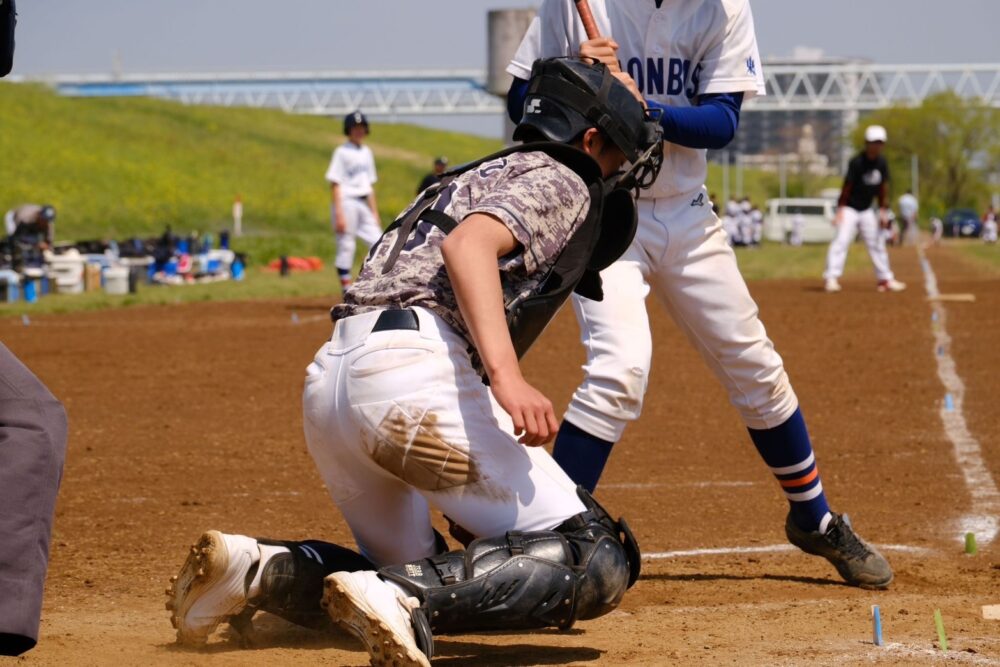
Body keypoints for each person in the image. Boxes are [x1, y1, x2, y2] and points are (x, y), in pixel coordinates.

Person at [166, 58, 662, 665]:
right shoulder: (561, 172)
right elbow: (470, 244)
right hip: (408, 379)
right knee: (597, 555)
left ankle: (255, 571)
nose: (612, 178)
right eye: (614, 161)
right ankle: (400, 596)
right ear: (589, 141)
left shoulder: (466, 177)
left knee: (409, 568)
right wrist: (508, 379)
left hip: (334, 381)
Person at [507, 0, 892, 589]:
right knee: (619, 369)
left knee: (757, 367)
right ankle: (549, 537)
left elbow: (723, 121)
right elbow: (519, 102)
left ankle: (813, 517)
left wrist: (641, 108)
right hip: (606, 212)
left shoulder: (725, 7)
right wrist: (569, 77)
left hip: (687, 213)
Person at [823, 125, 906, 293]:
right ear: (866, 143)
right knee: (841, 240)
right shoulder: (857, 162)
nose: (876, 146)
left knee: (876, 242)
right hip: (850, 208)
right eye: (873, 142)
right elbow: (847, 186)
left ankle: (885, 279)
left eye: (879, 142)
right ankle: (831, 278)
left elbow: (883, 188)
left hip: (867, 209)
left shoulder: (882, 163)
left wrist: (883, 210)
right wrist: (840, 209)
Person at [327, 110, 381, 291]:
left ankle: (373, 283)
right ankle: (346, 288)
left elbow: (369, 185)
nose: (358, 131)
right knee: (346, 245)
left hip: (362, 202)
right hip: (346, 201)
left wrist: (374, 212)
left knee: (379, 241)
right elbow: (335, 183)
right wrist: (339, 213)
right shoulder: (342, 152)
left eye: (361, 128)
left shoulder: (367, 152)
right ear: (348, 130)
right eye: (354, 128)